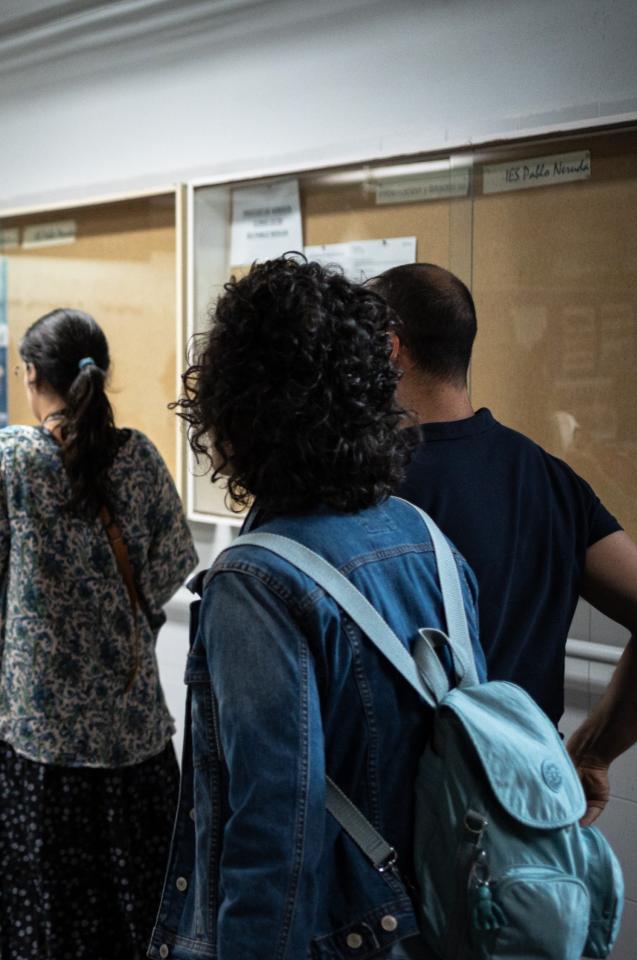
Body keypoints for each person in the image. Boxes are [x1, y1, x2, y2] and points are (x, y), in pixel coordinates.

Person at [151, 256, 485, 959]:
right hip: (445, 925)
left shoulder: (258, 581)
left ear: (238, 410)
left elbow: (275, 834)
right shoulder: (429, 540)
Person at [0, 308, 196, 959]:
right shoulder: (139, 454)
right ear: (102, 373)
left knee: (44, 910)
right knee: (140, 905)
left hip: (42, 740)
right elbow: (173, 569)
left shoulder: (10, 460)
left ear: (31, 375)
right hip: (135, 734)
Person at [372, 263, 637, 827]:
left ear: (388, 347)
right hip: (528, 814)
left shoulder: (367, 488)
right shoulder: (546, 476)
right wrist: (593, 751)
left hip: (407, 827)